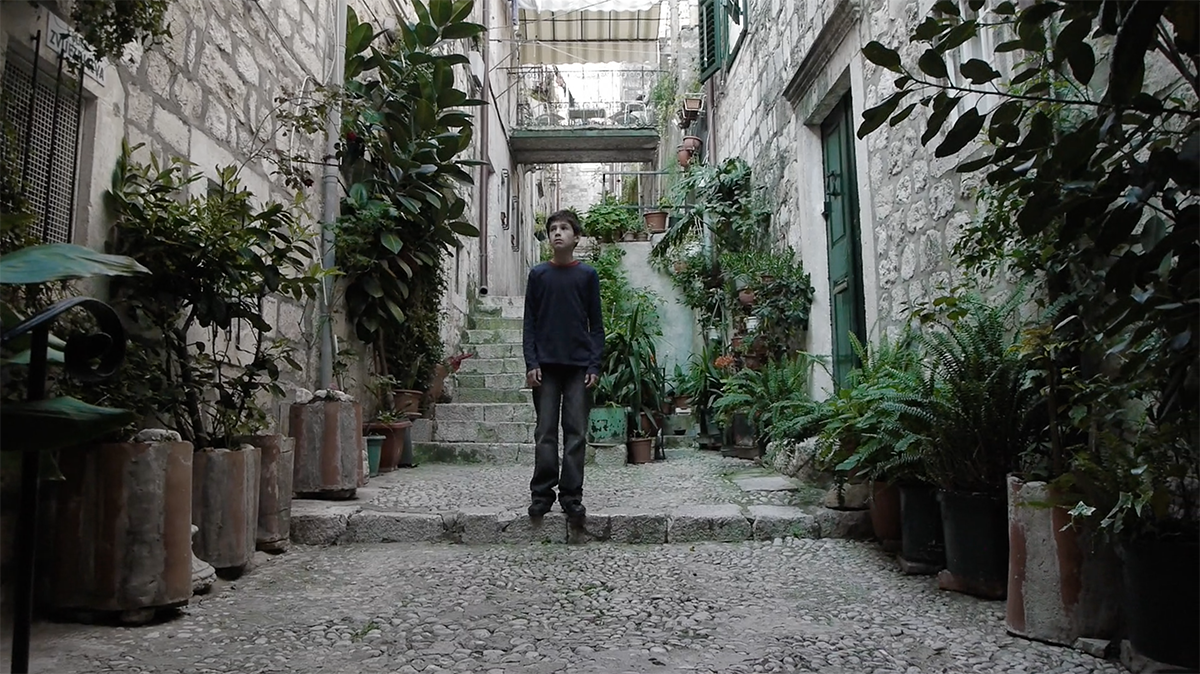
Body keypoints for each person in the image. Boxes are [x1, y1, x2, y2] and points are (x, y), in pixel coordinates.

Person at [522, 209, 604, 519]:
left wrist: (594, 366)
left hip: (578, 368)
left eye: (565, 228)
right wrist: (531, 362)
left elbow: (596, 326)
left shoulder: (587, 275)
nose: (558, 232)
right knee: (544, 432)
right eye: (553, 228)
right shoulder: (539, 275)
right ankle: (542, 494)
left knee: (576, 432)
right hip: (545, 367)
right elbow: (530, 322)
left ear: (576, 237)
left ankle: (571, 496)